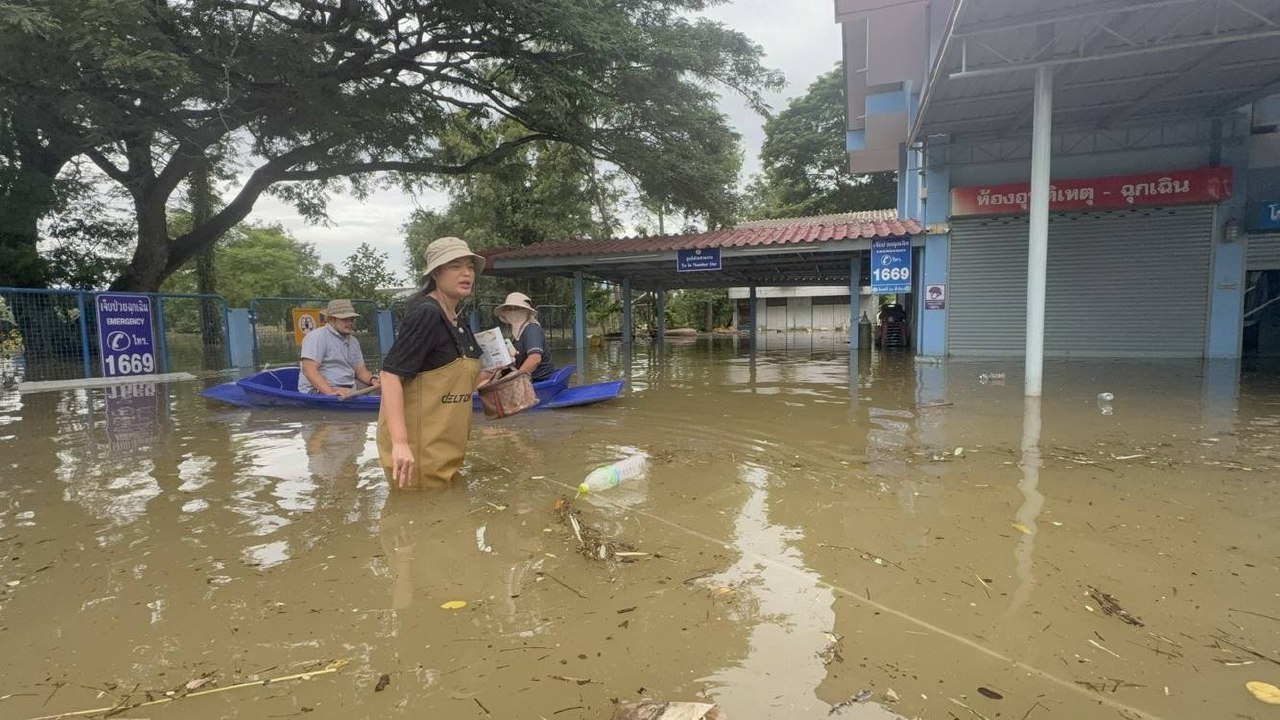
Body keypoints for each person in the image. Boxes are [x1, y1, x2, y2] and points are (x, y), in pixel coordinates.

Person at [377, 237, 497, 490]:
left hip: (446, 451)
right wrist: (400, 443)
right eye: (455, 266)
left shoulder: (457, 319)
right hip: (418, 454)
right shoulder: (427, 314)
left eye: (470, 267)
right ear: (435, 273)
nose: (466, 273)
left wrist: (494, 380)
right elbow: (389, 376)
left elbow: (456, 381)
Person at [298, 299, 380, 397]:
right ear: (331, 319)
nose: (350, 323)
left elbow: (360, 371)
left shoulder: (353, 341)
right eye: (345, 319)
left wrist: (373, 380)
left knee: (385, 391)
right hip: (317, 390)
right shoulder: (317, 337)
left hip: (348, 385)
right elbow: (309, 370)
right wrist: (331, 392)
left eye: (352, 319)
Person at [494, 292, 555, 382]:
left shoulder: (532, 329)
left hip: (539, 380)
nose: (513, 312)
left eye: (517, 308)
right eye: (510, 309)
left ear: (526, 311)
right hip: (526, 377)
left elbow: (535, 359)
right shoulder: (517, 332)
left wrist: (515, 380)